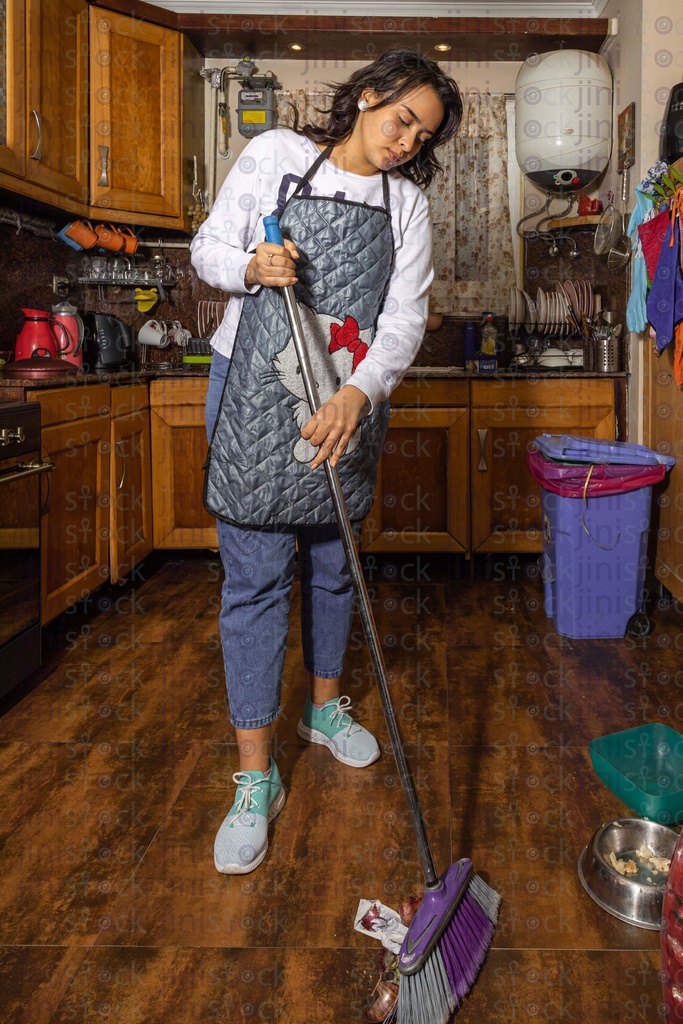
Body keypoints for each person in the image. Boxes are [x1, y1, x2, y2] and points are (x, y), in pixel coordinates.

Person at [191, 49, 462, 875]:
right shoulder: (274, 155)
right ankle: (252, 775)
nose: (406, 142)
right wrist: (248, 266)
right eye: (402, 119)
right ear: (368, 96)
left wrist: (362, 392)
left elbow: (403, 321)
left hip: (346, 398)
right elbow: (206, 251)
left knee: (333, 566)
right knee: (257, 576)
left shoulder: (405, 205)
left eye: (422, 136)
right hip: (252, 391)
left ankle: (322, 709)